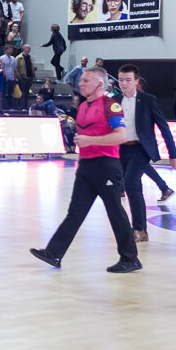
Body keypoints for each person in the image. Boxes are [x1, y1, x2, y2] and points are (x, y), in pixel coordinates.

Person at [31, 67, 141, 273]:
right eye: (81, 80)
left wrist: (90, 140)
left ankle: (130, 258)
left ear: (99, 84)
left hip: (106, 165)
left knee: (115, 211)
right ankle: (54, 253)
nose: (80, 83)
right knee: (75, 212)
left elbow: (121, 136)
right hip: (87, 166)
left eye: (86, 80)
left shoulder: (111, 106)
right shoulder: (82, 106)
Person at [114, 64, 176, 242]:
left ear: (136, 81)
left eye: (128, 80)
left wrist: (173, 153)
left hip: (141, 149)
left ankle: (139, 229)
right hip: (120, 149)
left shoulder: (148, 100)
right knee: (133, 188)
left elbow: (163, 126)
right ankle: (141, 230)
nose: (124, 84)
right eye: (121, 80)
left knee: (130, 184)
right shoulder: (114, 100)